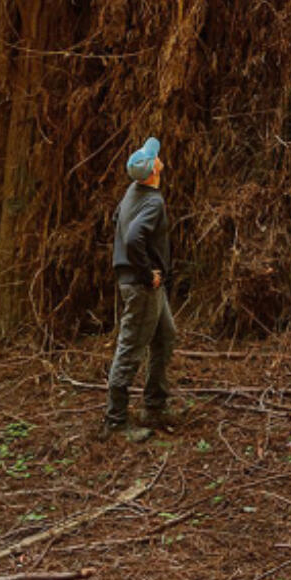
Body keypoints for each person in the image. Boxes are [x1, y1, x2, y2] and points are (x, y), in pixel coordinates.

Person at [100, 136, 176, 442]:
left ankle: (154, 406)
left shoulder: (132, 192)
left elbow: (119, 220)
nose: (158, 158)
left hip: (141, 284)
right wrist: (147, 273)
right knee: (131, 348)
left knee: (165, 337)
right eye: (154, 157)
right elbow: (133, 238)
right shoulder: (152, 201)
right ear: (153, 170)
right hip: (141, 286)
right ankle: (115, 422)